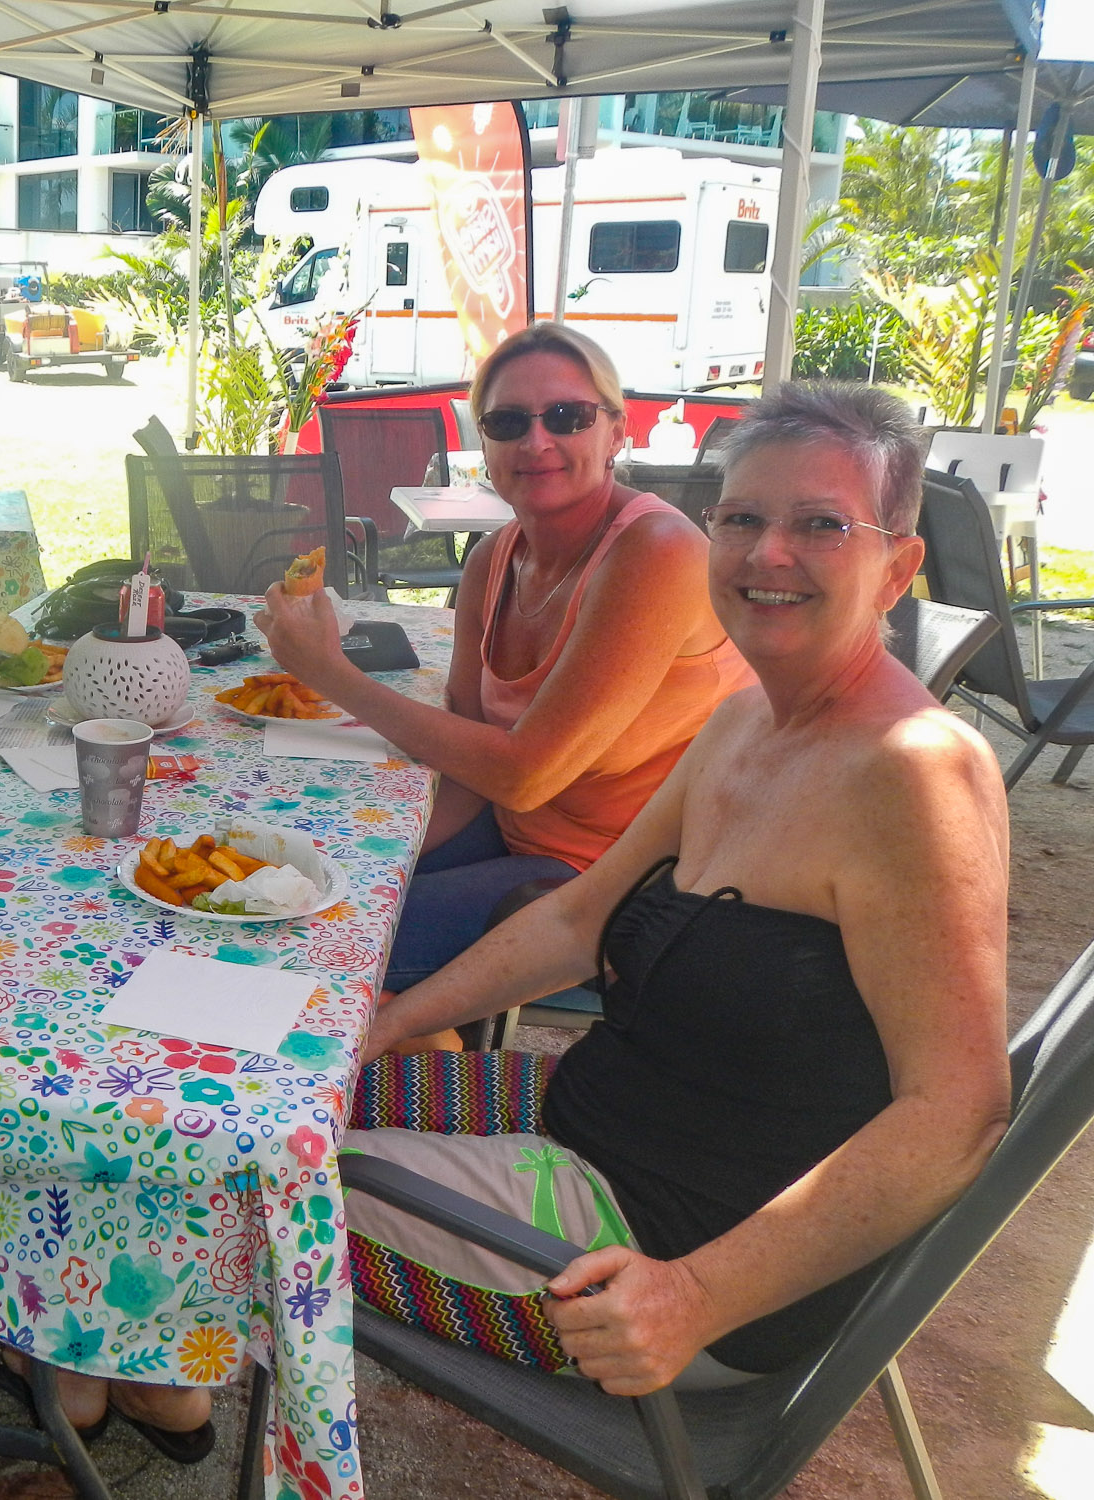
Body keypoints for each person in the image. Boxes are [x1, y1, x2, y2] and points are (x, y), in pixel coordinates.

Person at [345, 382, 1010, 1390]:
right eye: (740, 520)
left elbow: (957, 1111)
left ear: (897, 567)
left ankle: (142, 1388)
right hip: (587, 1113)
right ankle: (145, 1385)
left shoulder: (915, 771)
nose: (767, 554)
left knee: (237, 1176)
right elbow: (577, 918)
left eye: (820, 525)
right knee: (281, 1095)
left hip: (659, 1250)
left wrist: (695, 1295)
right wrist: (389, 1022)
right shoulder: (746, 720)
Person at [257, 324, 751, 1021]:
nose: (536, 441)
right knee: (287, 889)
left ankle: (394, 1048)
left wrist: (331, 673)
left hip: (622, 885)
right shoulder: (493, 558)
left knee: (308, 944)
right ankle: (411, 1029)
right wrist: (371, 863)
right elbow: (466, 758)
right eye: (508, 422)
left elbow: (525, 775)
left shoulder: (657, 553)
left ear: (617, 432)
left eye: (568, 417)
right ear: (483, 442)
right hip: (519, 834)